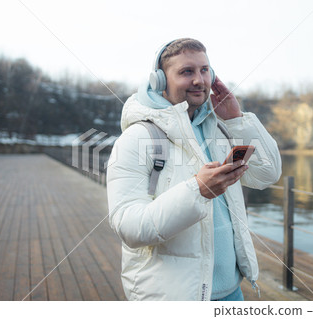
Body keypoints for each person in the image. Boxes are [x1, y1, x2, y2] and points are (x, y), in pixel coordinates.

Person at [106, 38, 281, 301]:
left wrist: (236, 119)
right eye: (187, 72)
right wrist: (197, 191)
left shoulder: (221, 129)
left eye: (204, 69)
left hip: (232, 292)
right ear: (160, 81)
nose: (199, 80)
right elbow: (129, 226)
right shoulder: (137, 138)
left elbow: (267, 174)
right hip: (172, 297)